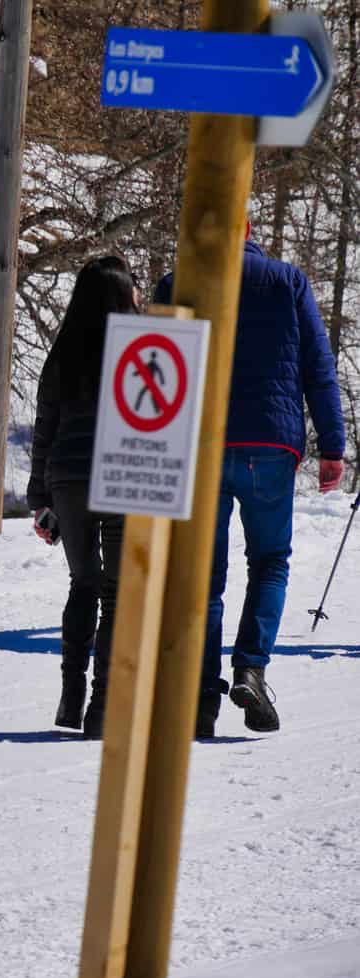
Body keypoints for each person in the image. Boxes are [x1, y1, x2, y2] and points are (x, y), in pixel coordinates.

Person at [154, 223, 345, 738]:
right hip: (271, 446)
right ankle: (251, 670)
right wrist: (333, 446)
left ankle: (200, 695)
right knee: (269, 561)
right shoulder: (288, 282)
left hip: (199, 448)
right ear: (253, 232)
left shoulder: (177, 285)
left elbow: (154, 371)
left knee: (202, 575)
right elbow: (318, 367)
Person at [27, 256, 139, 740]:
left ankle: (70, 696)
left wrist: (40, 497)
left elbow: (44, 428)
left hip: (68, 477)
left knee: (82, 583)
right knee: (115, 595)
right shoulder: (139, 348)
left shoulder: (64, 349)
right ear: (123, 292)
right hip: (120, 471)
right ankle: (102, 707)